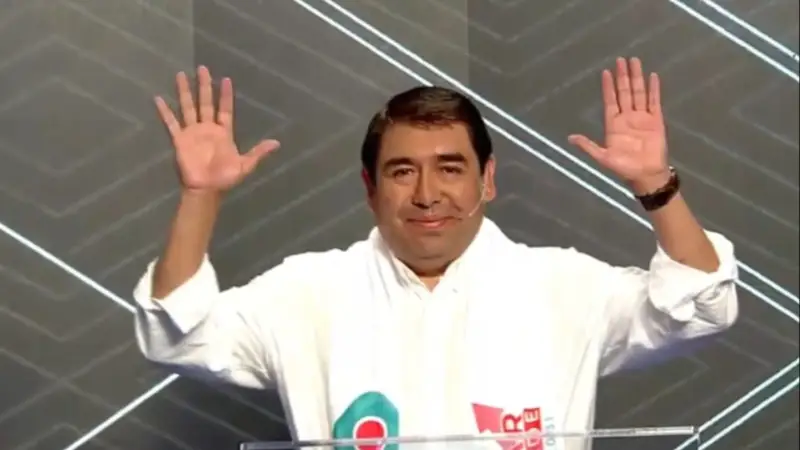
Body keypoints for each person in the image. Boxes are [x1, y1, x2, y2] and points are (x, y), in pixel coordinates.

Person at [133, 57, 738, 449]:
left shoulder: (564, 285)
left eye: (450, 168)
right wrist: (200, 197)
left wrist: (655, 186)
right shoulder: (307, 292)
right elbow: (181, 335)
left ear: (487, 180)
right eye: (402, 171)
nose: (427, 195)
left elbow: (700, 308)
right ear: (370, 188)